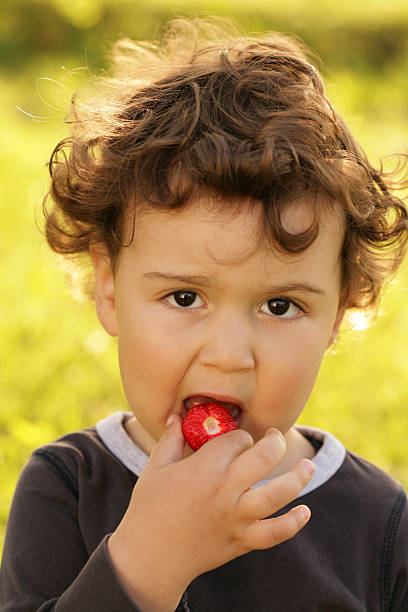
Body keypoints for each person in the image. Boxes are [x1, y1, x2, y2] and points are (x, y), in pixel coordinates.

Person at [1, 16, 408, 612]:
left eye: (280, 305)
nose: (228, 353)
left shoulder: (381, 525)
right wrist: (147, 564)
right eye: (185, 297)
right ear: (110, 290)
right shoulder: (69, 489)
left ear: (340, 312)